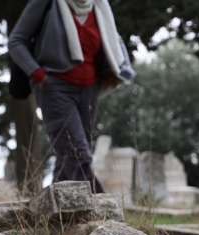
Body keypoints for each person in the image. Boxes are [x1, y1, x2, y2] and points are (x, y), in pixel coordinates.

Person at [8, 0, 135, 193]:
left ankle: (52, 216)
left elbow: (113, 44)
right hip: (55, 88)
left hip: (89, 90)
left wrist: (118, 71)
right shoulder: (47, 3)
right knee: (78, 153)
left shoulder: (99, 5)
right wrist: (40, 76)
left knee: (68, 157)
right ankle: (102, 210)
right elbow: (16, 41)